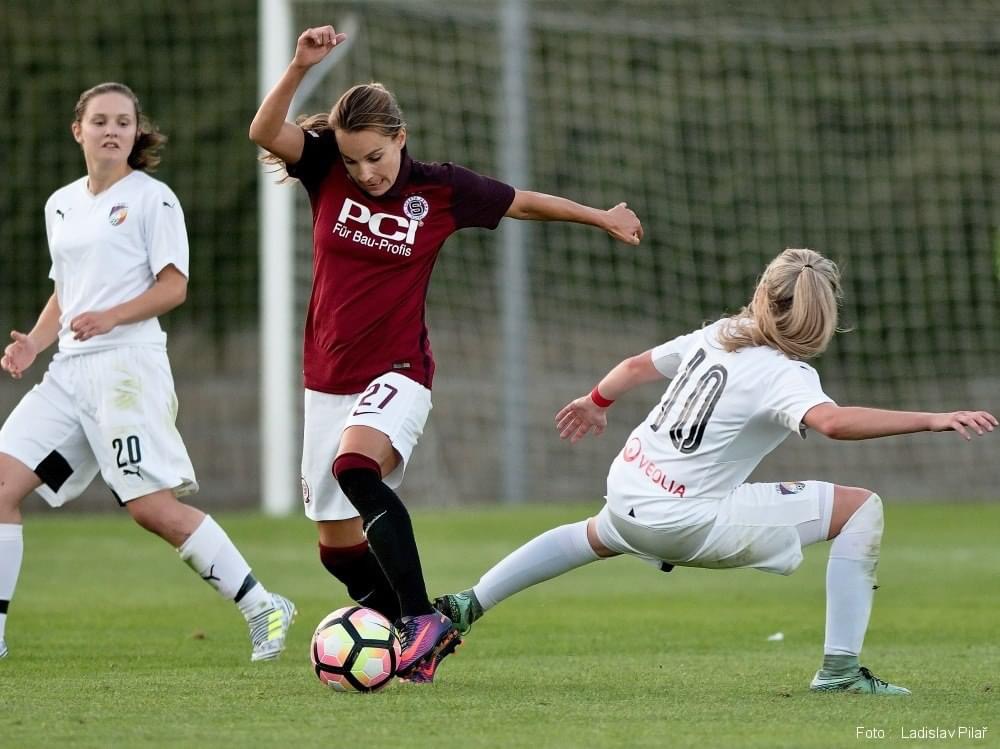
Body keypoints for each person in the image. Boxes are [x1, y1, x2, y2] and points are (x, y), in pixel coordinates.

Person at [249, 25, 643, 684]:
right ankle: (419, 635)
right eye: (353, 162)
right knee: (336, 549)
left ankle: (417, 621)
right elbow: (264, 130)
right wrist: (297, 67)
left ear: (400, 138)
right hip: (326, 379)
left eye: (375, 157)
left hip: (398, 370)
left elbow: (523, 203)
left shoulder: (440, 190)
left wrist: (600, 215)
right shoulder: (323, 167)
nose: (365, 172)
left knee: (355, 468)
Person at [435, 247, 996, 695]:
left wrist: (595, 402)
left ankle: (468, 603)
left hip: (629, 486)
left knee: (596, 534)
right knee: (861, 510)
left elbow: (635, 366)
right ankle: (840, 672)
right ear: (822, 317)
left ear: (762, 295)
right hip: (683, 519)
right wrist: (933, 418)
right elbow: (831, 422)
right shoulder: (784, 373)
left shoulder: (721, 333)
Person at [0, 82, 295, 663]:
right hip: (67, 374)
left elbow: (173, 287)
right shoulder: (60, 204)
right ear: (78, 130)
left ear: (136, 133)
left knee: (151, 509)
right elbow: (65, 293)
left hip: (126, 372)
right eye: (100, 121)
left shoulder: (152, 200)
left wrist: (112, 316)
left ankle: (263, 604)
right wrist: (34, 343)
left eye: (123, 122)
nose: (112, 130)